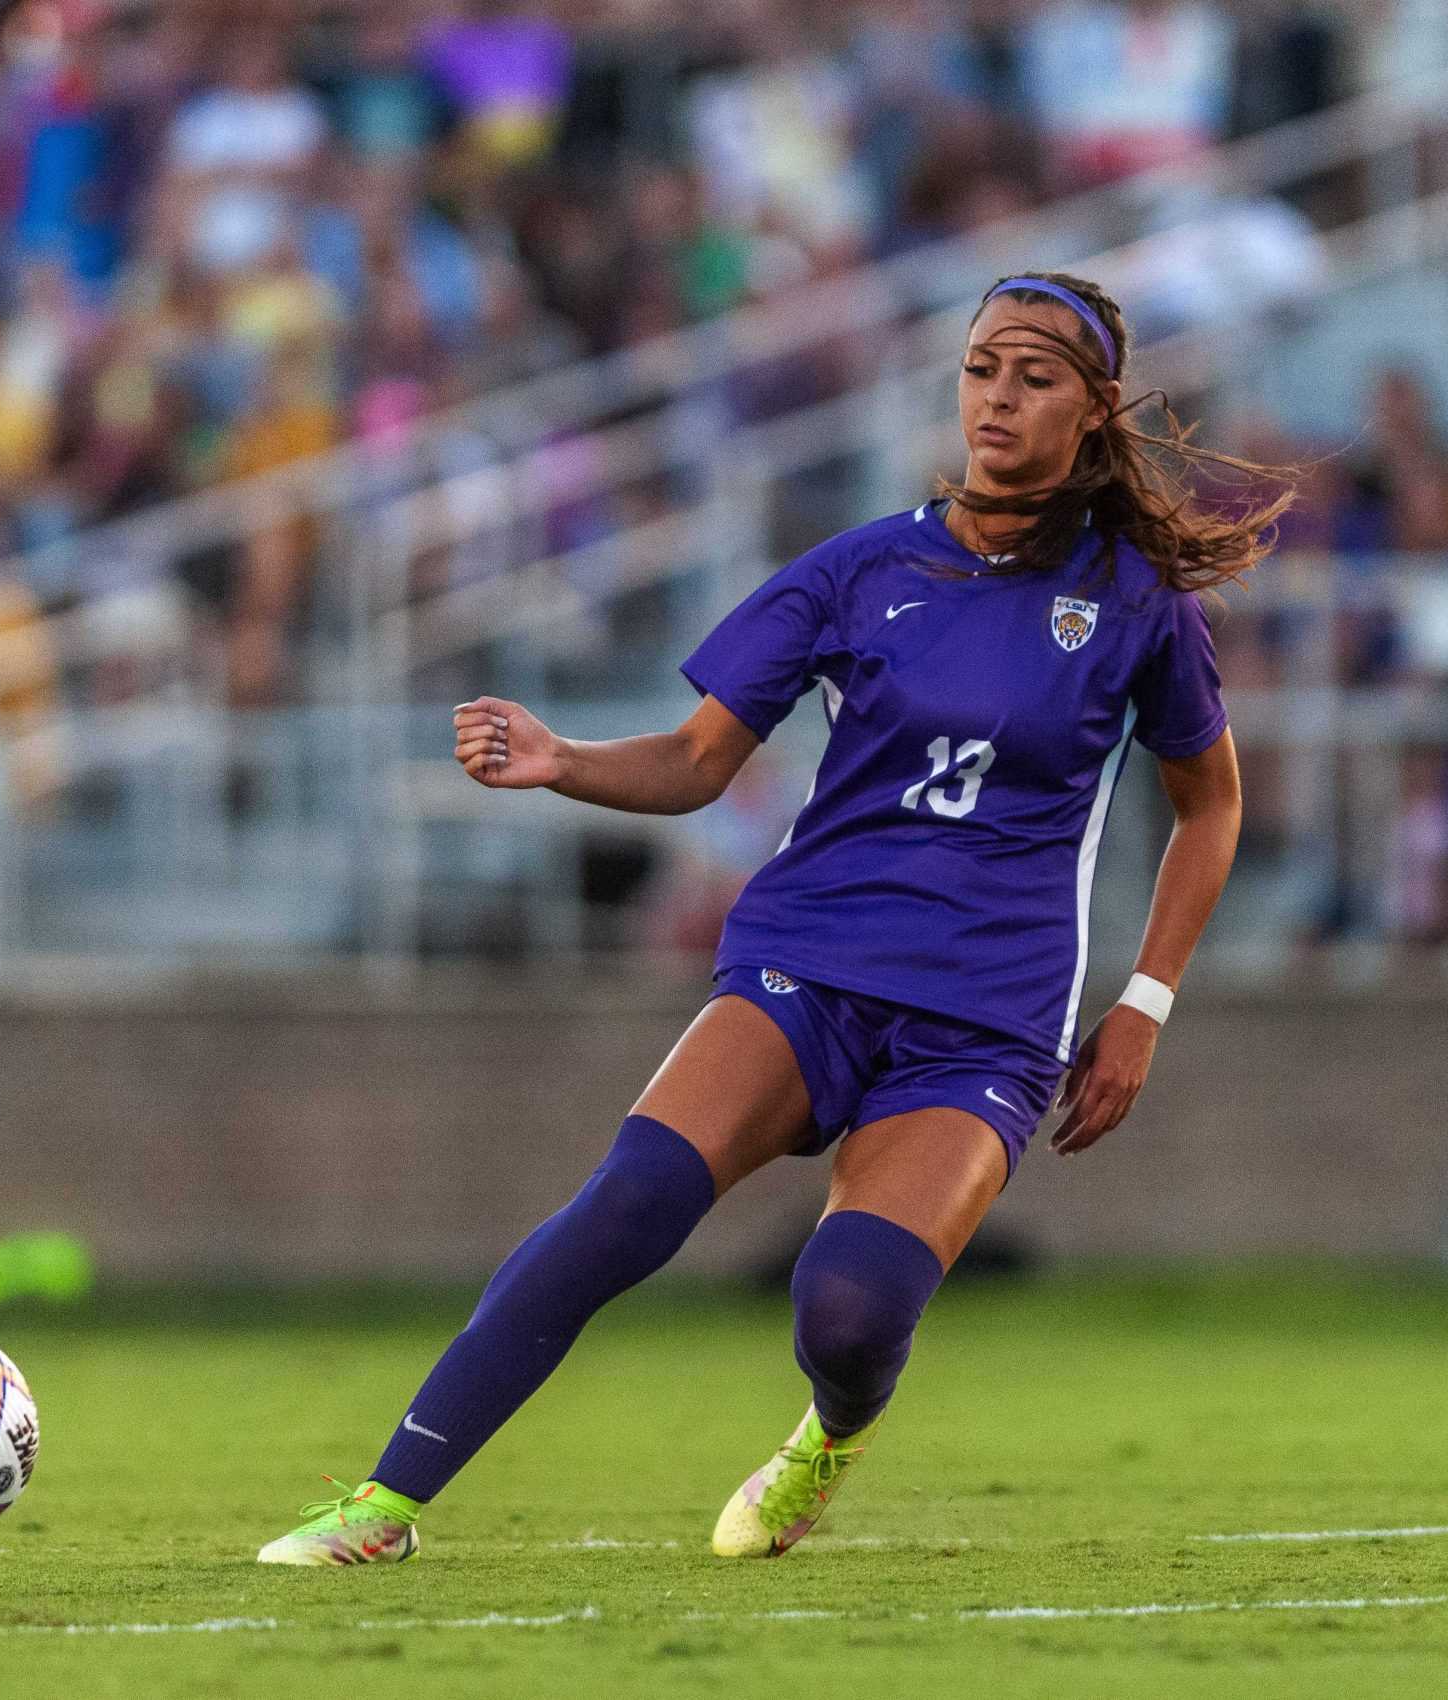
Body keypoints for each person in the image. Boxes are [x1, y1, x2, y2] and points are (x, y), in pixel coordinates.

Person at [258, 270, 1274, 1565]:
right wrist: (562, 759)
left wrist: (1143, 1004)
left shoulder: (1135, 600)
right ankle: (382, 1508)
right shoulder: (858, 571)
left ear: (1095, 409)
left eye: (1034, 376)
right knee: (625, 1206)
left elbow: (1211, 808)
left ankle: (825, 1442)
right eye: (979, 369)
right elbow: (694, 764)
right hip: (811, 966)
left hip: (987, 1020)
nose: (997, 398)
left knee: (846, 1311)